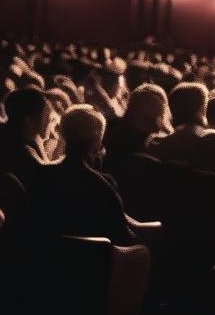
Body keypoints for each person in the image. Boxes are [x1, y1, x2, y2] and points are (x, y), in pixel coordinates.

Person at [34, 105, 138, 246]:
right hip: (96, 261)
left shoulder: (41, 174)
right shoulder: (103, 184)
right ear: (97, 142)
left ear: (63, 135)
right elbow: (122, 235)